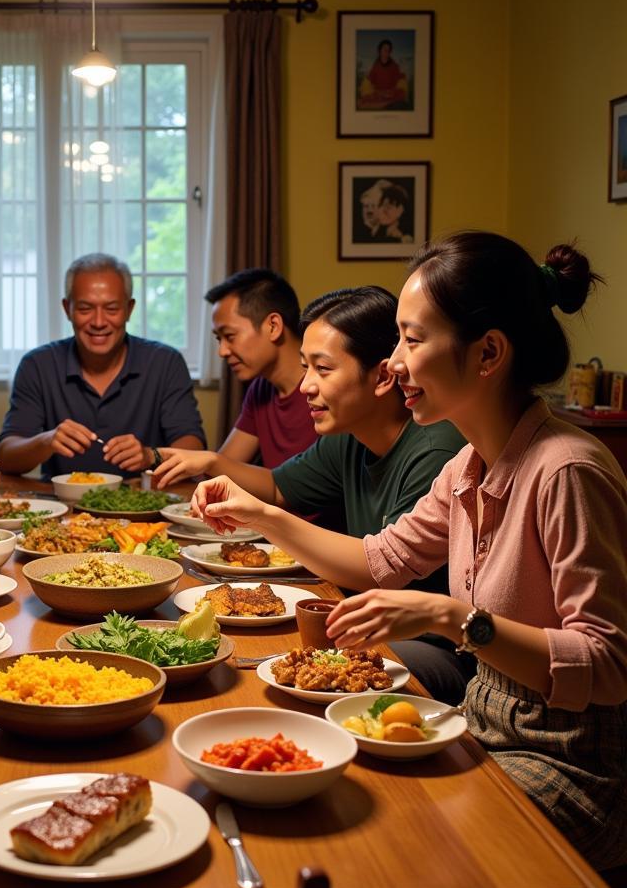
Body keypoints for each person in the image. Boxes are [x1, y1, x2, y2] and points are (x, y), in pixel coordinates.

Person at [192, 233, 627, 882]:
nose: (392, 364)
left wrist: (457, 619)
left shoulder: (566, 469)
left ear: (488, 353)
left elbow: (607, 666)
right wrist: (258, 514)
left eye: (411, 340)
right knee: (335, 805)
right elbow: (380, 559)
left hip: (571, 764)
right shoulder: (468, 466)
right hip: (482, 727)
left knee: (379, 849)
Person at [156, 286, 467, 699]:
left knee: (265, 673)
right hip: (352, 621)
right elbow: (279, 487)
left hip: (431, 646)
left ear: (382, 376)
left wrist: (263, 516)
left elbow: (379, 569)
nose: (304, 386)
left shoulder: (436, 450)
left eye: (322, 369)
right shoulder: (350, 435)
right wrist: (223, 477)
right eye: (305, 367)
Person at [0, 253, 206, 479]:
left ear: (129, 309)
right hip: (61, 506)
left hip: (145, 504)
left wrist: (150, 455)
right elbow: (5, 457)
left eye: (112, 309)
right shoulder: (37, 365)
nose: (98, 322)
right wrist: (46, 441)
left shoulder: (165, 362)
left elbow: (194, 449)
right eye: (85, 309)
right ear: (67, 309)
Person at [197, 268, 317, 470]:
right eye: (219, 339)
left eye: (230, 336)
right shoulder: (261, 389)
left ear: (273, 326)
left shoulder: (325, 388)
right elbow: (222, 467)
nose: (222, 351)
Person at [358, 39, 408, 109]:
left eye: (388, 50)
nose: (386, 51)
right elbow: (371, 79)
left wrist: (389, 92)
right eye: (384, 49)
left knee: (400, 90)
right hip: (378, 92)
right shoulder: (376, 65)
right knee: (366, 85)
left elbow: (397, 81)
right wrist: (378, 91)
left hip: (391, 92)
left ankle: (387, 103)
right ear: (379, 51)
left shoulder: (394, 66)